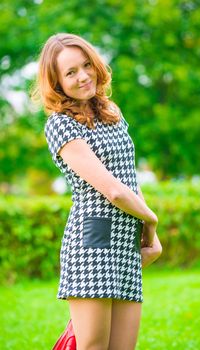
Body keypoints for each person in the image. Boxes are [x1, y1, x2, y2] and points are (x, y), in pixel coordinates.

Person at [31, 32, 162, 350]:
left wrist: (148, 234)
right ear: (57, 82)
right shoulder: (60, 125)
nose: (83, 76)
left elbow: (129, 177)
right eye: (71, 72)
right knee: (92, 346)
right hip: (91, 244)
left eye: (86, 65)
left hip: (126, 241)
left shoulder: (111, 112)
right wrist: (152, 219)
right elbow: (113, 191)